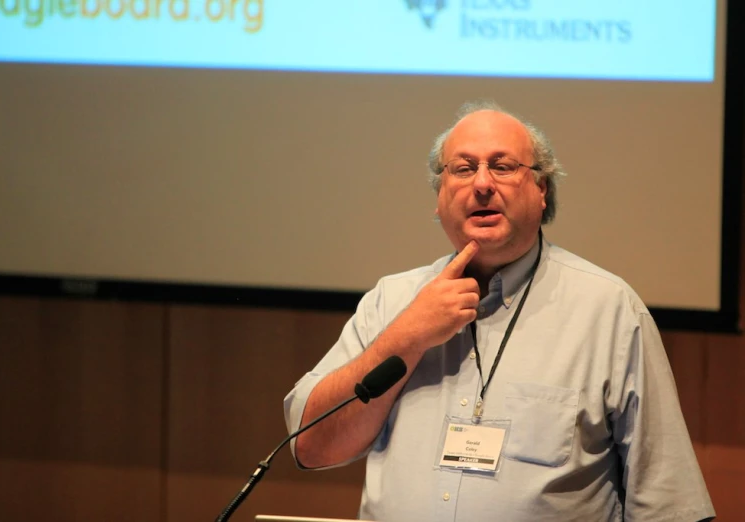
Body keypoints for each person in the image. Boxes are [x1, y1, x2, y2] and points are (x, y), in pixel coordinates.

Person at [283, 101, 715, 521]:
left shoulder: (609, 309)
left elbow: (667, 503)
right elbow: (312, 446)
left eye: (503, 166)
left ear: (542, 190)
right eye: (464, 168)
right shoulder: (391, 300)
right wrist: (407, 337)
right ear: (440, 196)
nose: (482, 184)